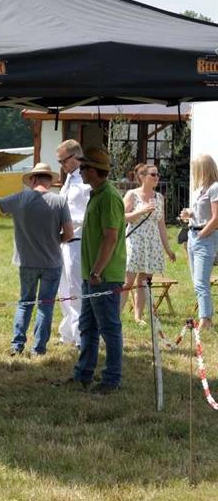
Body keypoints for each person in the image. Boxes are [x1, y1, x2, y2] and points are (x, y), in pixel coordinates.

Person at [56, 147, 127, 394]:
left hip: (103, 276)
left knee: (109, 328)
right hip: (92, 276)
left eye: (84, 167)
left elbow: (110, 238)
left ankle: (112, 379)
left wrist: (97, 271)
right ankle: (84, 374)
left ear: (95, 171)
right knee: (88, 325)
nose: (80, 171)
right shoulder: (96, 194)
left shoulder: (108, 197)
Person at [0, 163, 73, 356]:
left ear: (33, 179)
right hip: (51, 262)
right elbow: (69, 234)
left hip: (26, 261)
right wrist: (56, 240)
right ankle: (38, 348)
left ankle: (17, 344)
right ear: (49, 180)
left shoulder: (20, 198)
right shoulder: (60, 201)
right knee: (45, 306)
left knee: (25, 302)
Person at [122, 163, 176, 323]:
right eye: (153, 174)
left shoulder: (159, 197)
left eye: (158, 174)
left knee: (144, 281)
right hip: (135, 241)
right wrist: (140, 211)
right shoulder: (132, 194)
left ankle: (138, 316)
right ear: (142, 177)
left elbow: (161, 224)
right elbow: (120, 217)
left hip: (152, 244)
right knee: (127, 281)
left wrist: (168, 249)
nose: (157, 177)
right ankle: (115, 315)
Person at [55, 139, 91, 347]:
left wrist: (67, 222)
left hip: (78, 239)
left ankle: (80, 335)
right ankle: (67, 332)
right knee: (64, 289)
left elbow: (89, 214)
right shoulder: (69, 180)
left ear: (76, 156)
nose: (62, 165)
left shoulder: (86, 181)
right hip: (63, 240)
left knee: (76, 288)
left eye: (64, 161)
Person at [180, 154, 218, 330]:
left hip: (205, 237)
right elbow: (202, 213)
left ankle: (206, 320)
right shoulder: (202, 188)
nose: (194, 173)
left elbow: (216, 218)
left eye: (196, 169)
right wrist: (190, 214)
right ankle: (205, 316)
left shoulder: (215, 188)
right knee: (196, 280)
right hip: (193, 235)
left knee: (202, 282)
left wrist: (203, 233)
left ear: (204, 169)